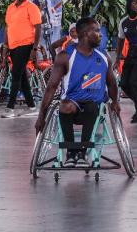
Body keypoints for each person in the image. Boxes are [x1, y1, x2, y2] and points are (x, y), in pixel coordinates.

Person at [35, 17, 120, 167]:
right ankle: (71, 153)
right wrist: (41, 116)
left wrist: (115, 102)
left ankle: (83, 152)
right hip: (72, 106)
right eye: (97, 31)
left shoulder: (103, 56)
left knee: (92, 106)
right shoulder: (65, 56)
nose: (100, 35)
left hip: (93, 107)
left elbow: (112, 83)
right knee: (65, 106)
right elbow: (51, 87)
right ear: (86, 34)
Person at [1, 0, 43, 118]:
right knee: (23, 77)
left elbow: (38, 28)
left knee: (16, 74)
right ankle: (31, 106)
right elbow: (8, 28)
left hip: (26, 45)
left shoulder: (32, 7)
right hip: (13, 46)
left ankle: (10, 108)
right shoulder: (10, 8)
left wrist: (34, 48)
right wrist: (6, 46)